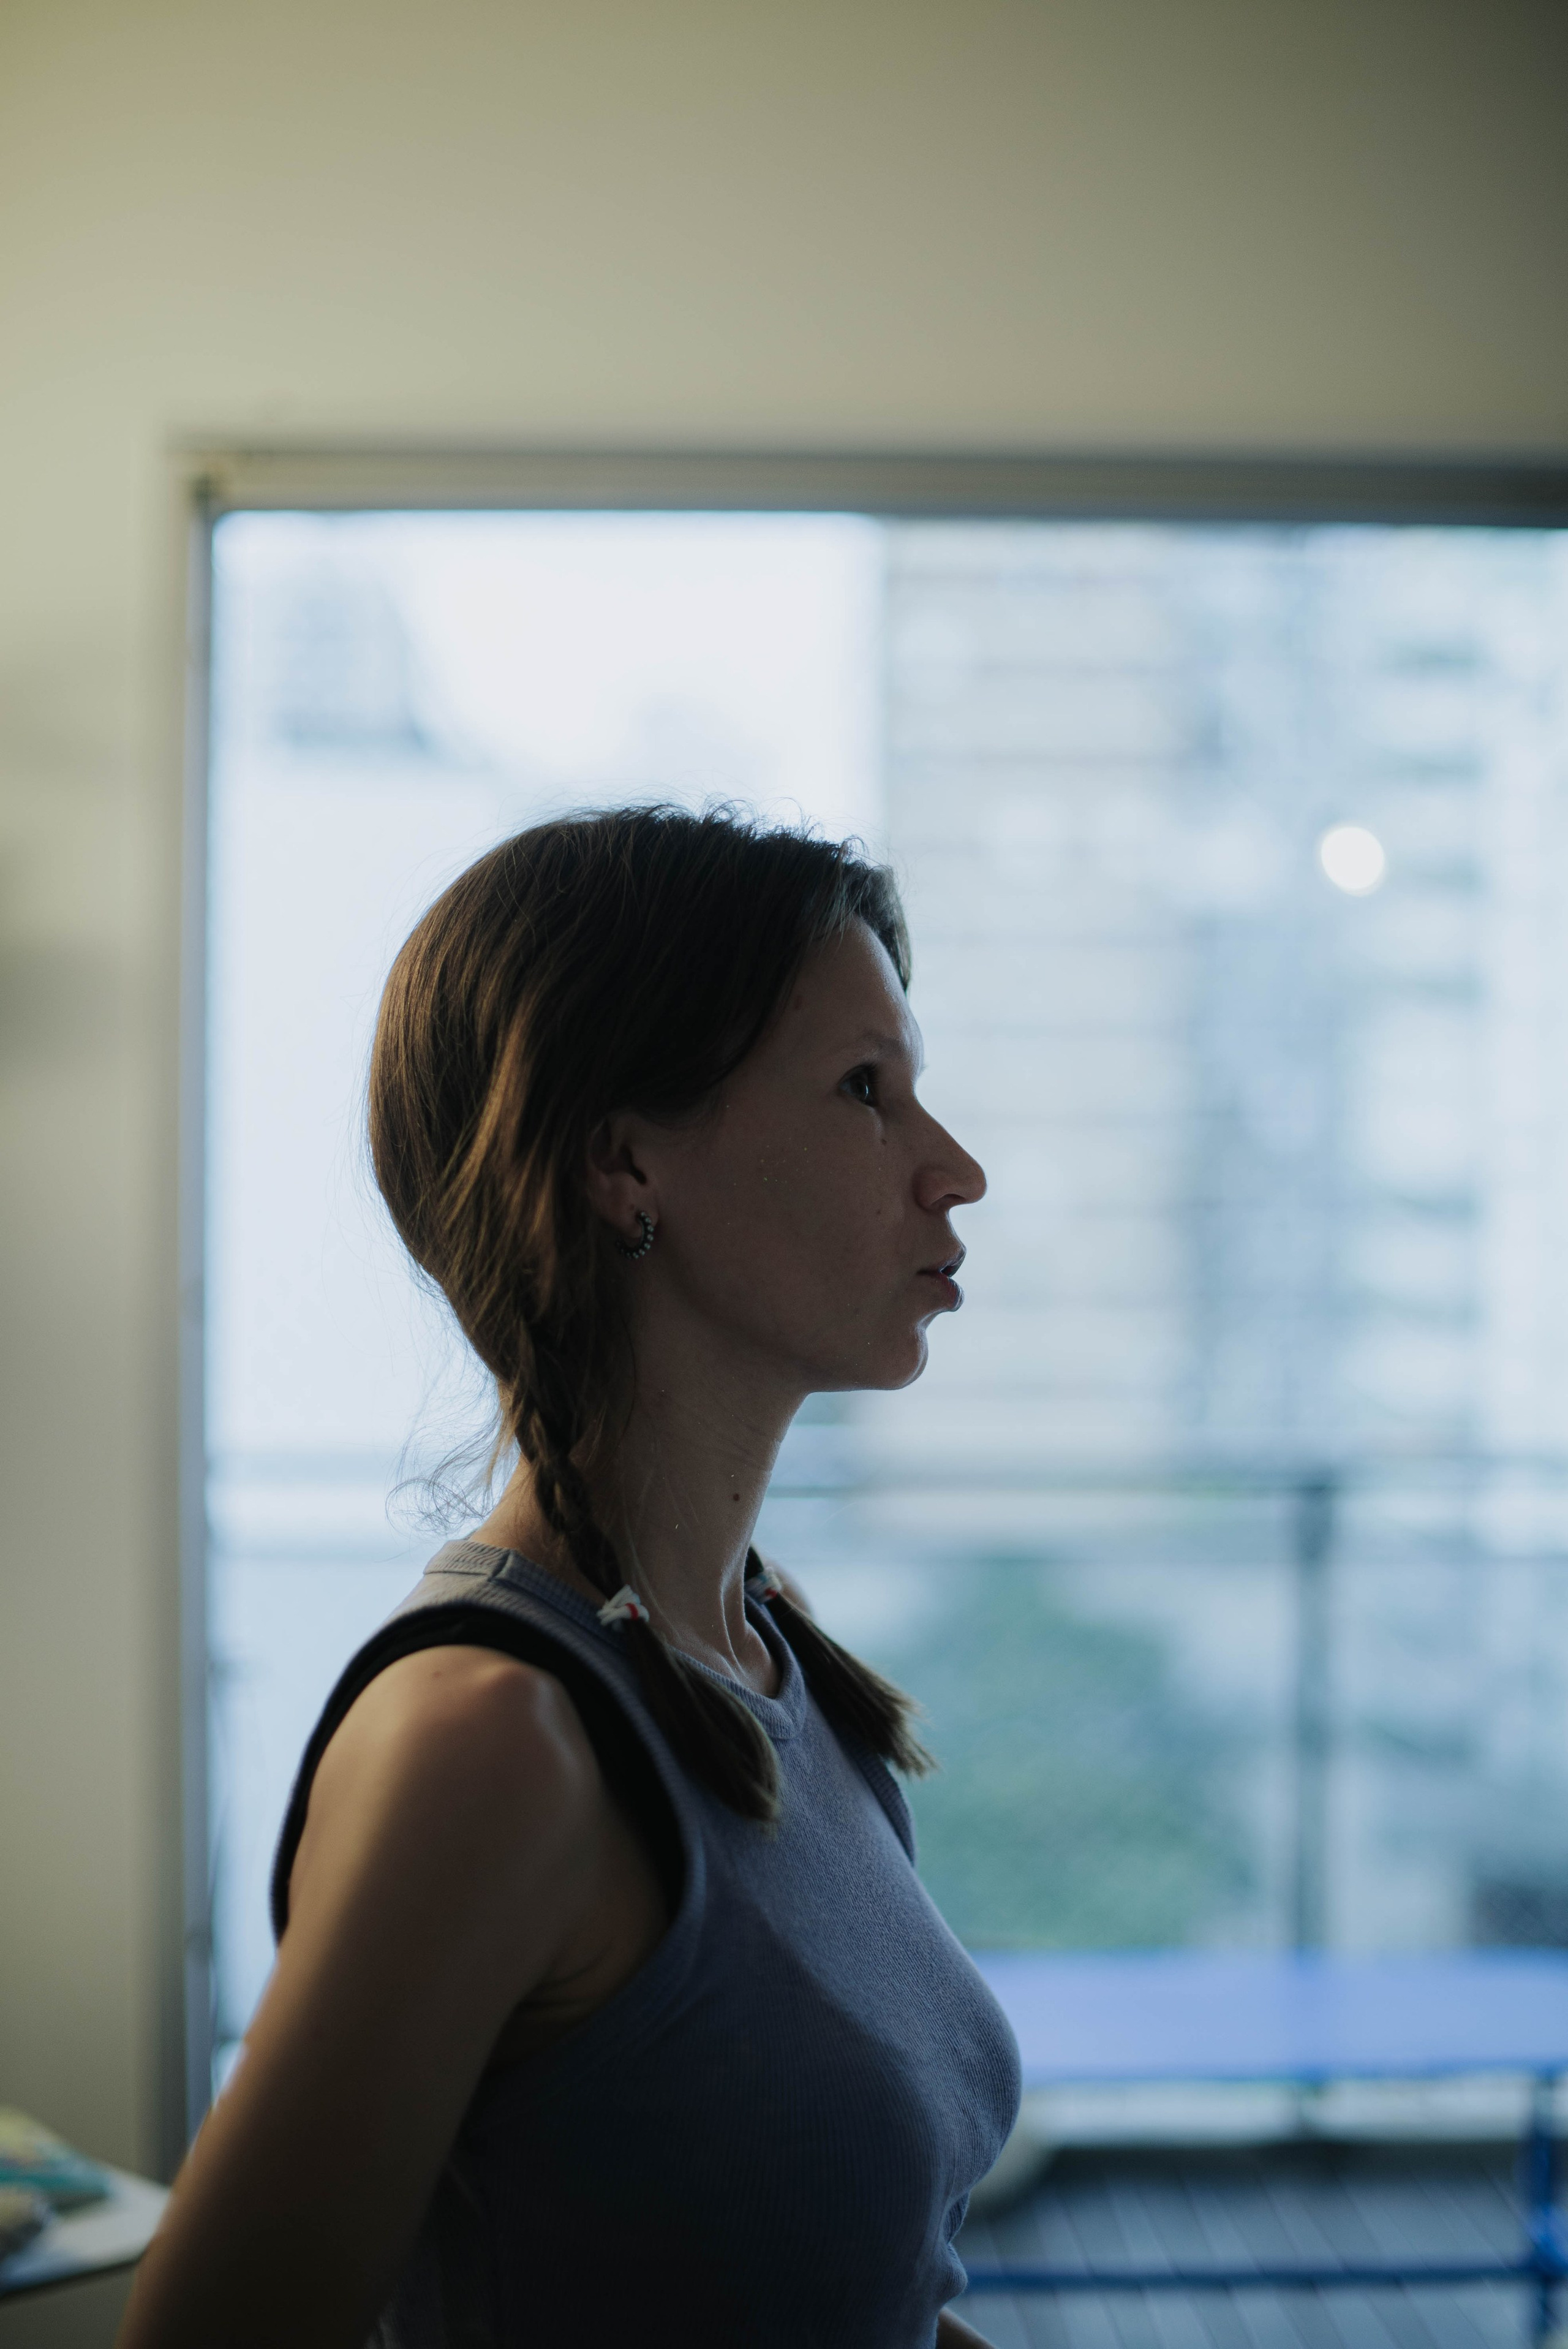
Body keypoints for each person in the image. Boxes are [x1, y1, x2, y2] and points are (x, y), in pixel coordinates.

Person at [119, 805, 1020, 2348]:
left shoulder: (769, 1668)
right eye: (865, 1092)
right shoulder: (488, 1746)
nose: (957, 1171)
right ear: (622, 1164)